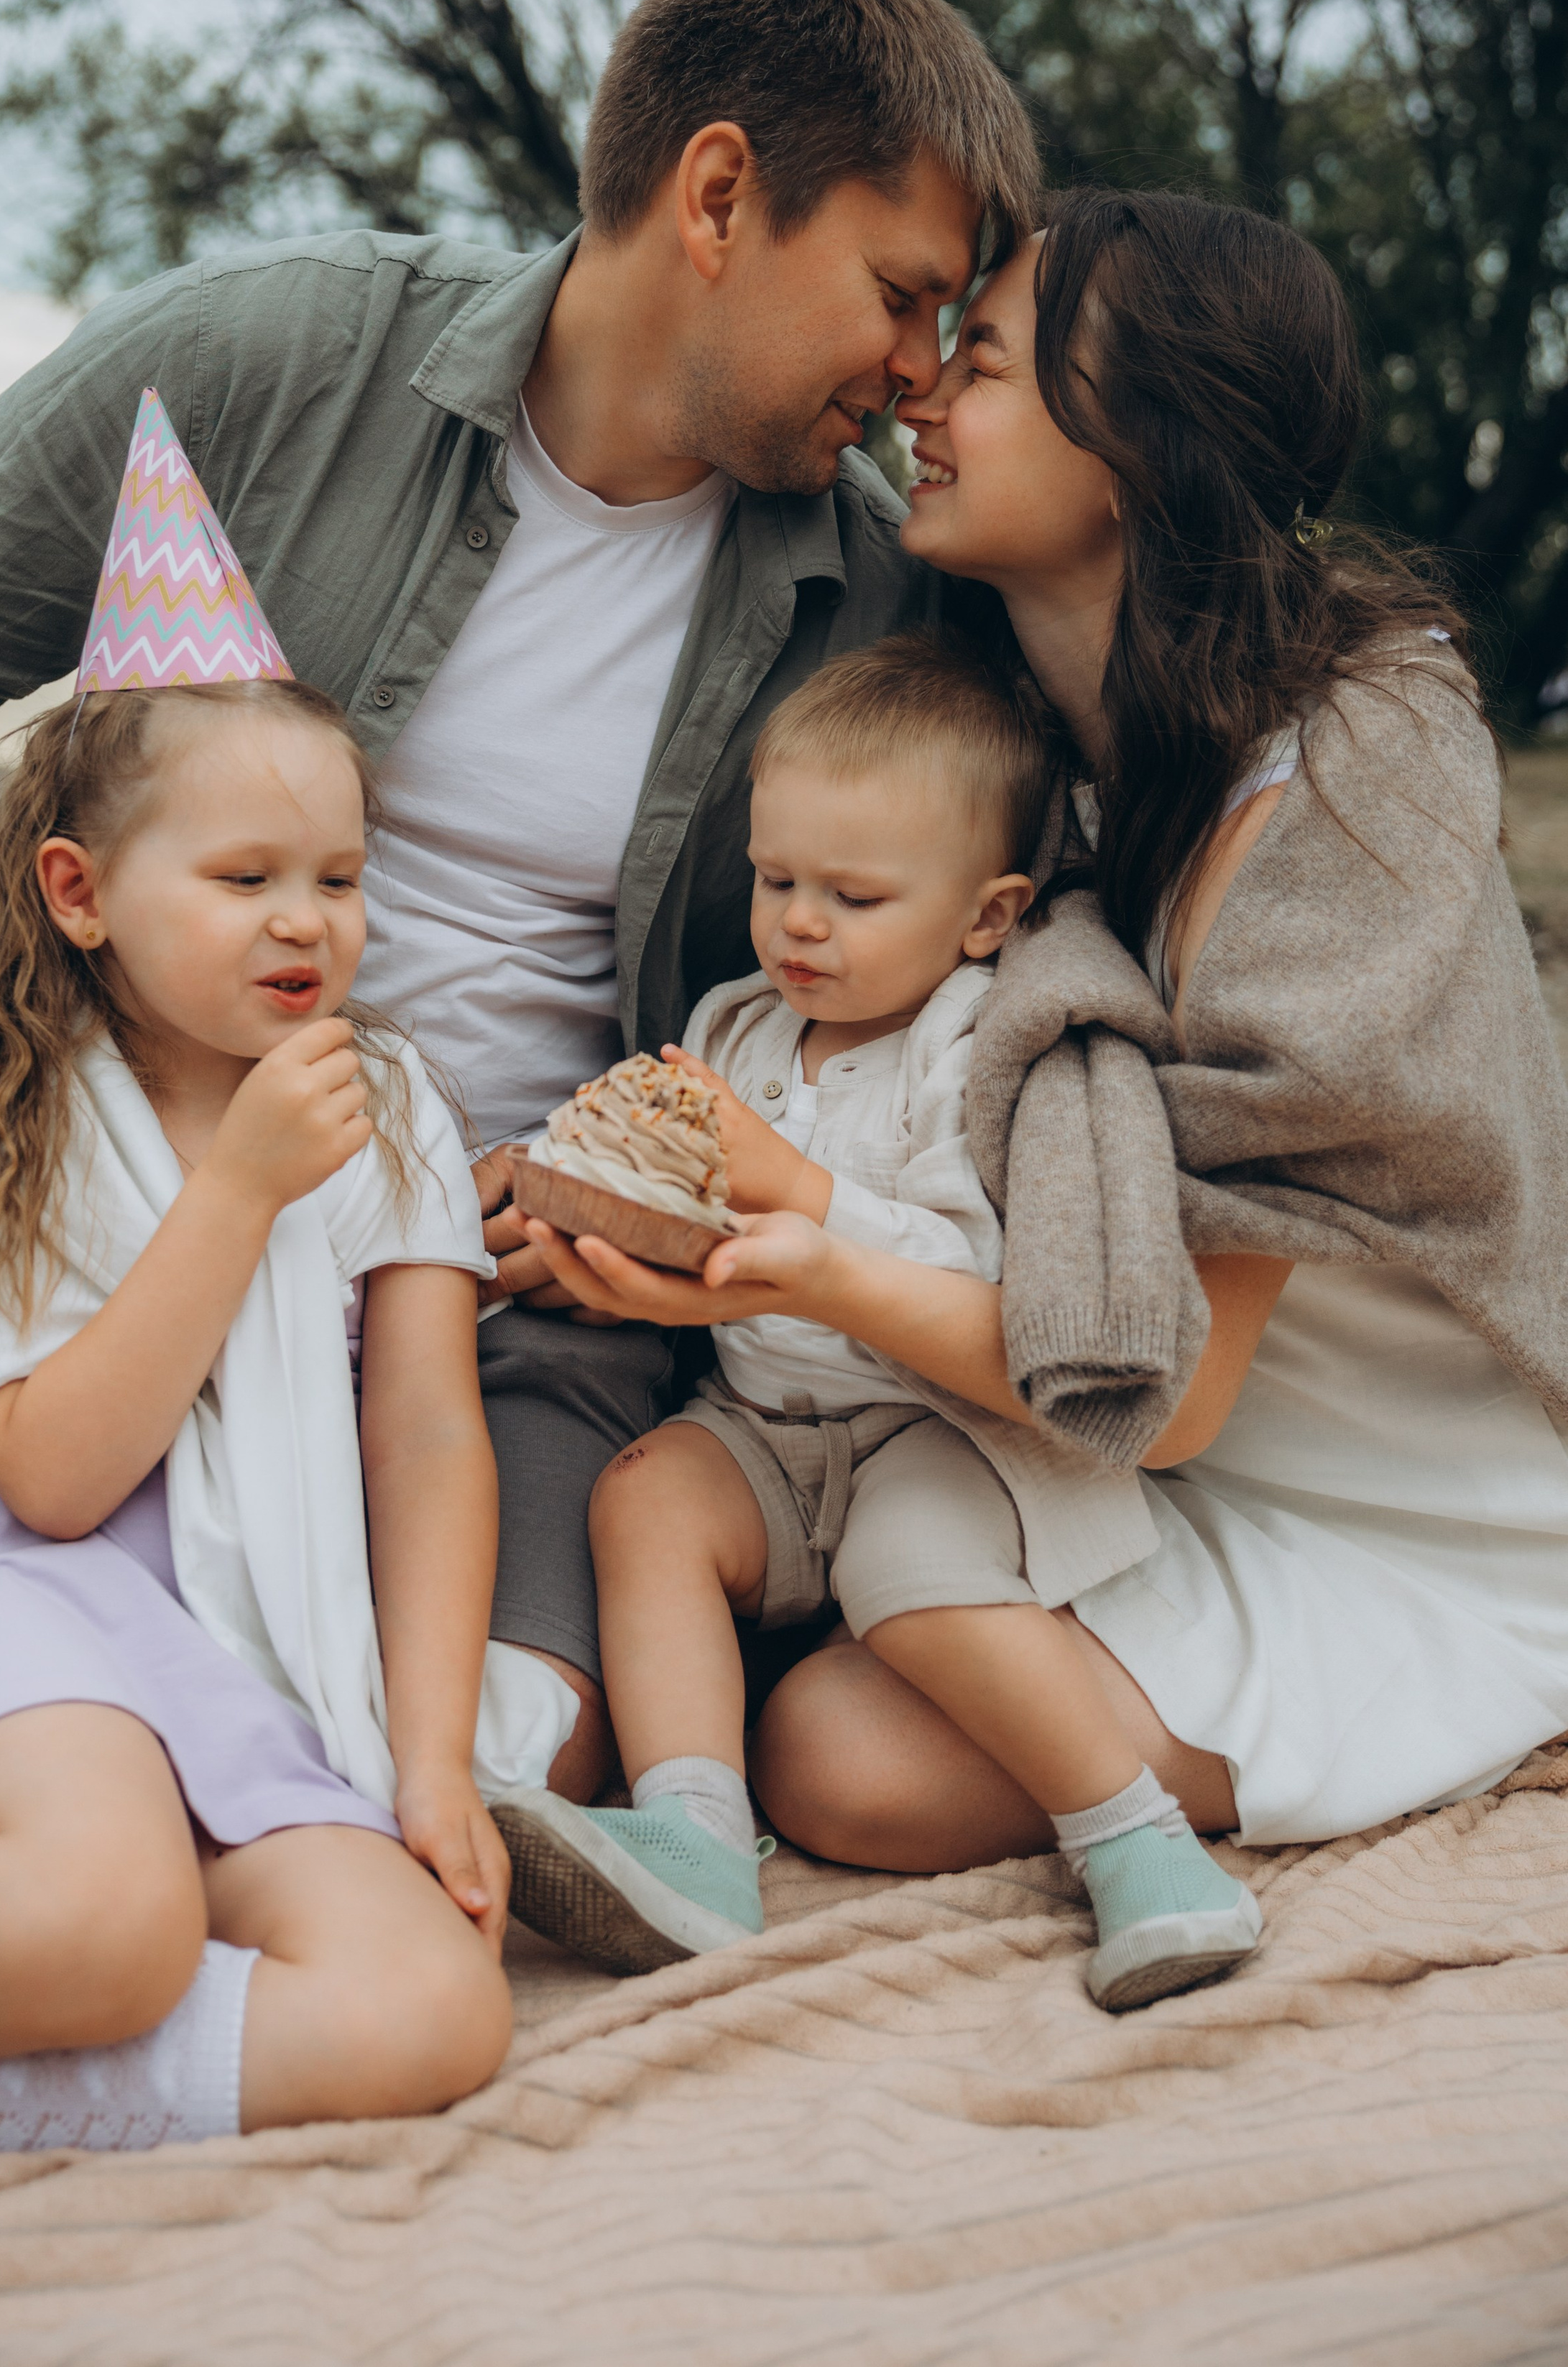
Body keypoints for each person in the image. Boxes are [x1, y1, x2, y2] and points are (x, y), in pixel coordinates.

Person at [0, 0, 1042, 1814]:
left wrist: (627, 1175)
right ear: (720, 194)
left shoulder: (876, 597)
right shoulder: (268, 361)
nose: (921, 377)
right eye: (899, 295)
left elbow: (895, 968)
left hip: (514, 1314)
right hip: (119, 1238)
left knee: (519, 1756)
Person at [517, 188, 1568, 1927]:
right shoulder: (1040, 770)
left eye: (981, 359)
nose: (918, 390)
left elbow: (1161, 1398)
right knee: (815, 1723)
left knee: (845, 1762)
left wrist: (800, 1268)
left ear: (1131, 448)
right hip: (1089, 1459)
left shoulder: (1343, 787)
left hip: (1375, 1498)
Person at [0, 576, 530, 2160]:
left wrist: (431, 1765)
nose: (305, 919)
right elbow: (49, 1478)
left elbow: (427, 1439)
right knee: (105, 1921)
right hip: (1, 1589)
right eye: (243, 876)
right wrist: (235, 1192)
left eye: (340, 877)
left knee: (427, 2008)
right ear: (79, 891)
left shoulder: (389, 1105)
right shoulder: (1, 1117)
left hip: (236, 1636)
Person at [496, 631, 1263, 2008]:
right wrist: (589, 1205)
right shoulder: (733, 1030)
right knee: (646, 1498)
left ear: (985, 915)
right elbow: (681, 1187)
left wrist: (797, 1187)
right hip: (765, 1426)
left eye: (852, 896)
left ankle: (1137, 1843)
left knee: (911, 1581)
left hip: (940, 1425)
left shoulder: (976, 1048)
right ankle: (697, 1837)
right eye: (777, 879)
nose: (797, 924)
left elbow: (990, 1272)